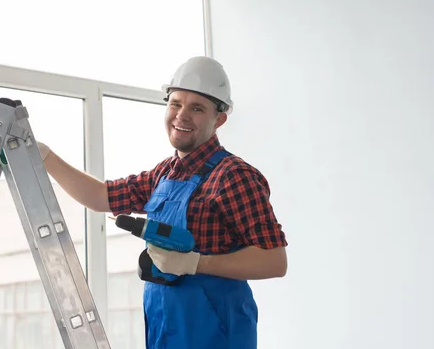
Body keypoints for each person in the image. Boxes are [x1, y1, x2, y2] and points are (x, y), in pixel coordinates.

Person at [36, 56, 288, 349]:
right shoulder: (164, 173)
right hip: (165, 329)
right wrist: (46, 158)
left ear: (219, 119)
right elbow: (101, 196)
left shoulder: (234, 176)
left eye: (197, 108)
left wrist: (196, 262)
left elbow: (274, 260)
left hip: (216, 335)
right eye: (176, 103)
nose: (182, 115)